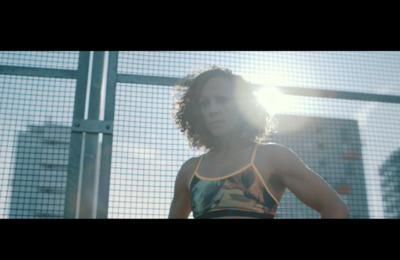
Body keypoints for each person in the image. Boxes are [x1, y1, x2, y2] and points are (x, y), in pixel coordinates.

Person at [168, 67, 349, 219]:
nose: (213, 109)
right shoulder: (190, 171)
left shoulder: (272, 157)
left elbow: (334, 207)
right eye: (204, 103)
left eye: (222, 99)